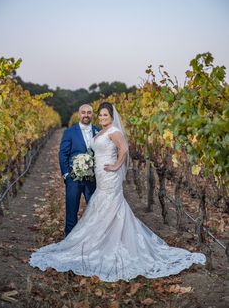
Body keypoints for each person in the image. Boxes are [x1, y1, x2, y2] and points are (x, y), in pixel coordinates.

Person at [30, 102, 206, 282]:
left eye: (105, 115)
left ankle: (105, 245)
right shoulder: (99, 131)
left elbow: (124, 149)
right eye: (100, 115)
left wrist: (116, 165)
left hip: (109, 177)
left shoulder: (113, 131)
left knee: (109, 207)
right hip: (98, 177)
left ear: (112, 116)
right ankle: (96, 242)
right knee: (101, 208)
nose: (101, 117)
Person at [58, 104, 100, 237]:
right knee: (71, 210)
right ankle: (69, 239)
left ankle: (93, 237)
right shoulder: (70, 132)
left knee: (94, 210)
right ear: (79, 114)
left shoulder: (98, 131)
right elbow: (63, 154)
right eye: (83, 112)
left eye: (89, 112)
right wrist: (66, 174)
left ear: (92, 115)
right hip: (73, 178)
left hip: (92, 179)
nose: (86, 115)